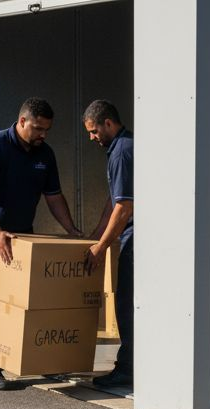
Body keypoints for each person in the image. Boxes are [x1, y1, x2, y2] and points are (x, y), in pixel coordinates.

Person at [0, 98, 84, 390]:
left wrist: (72, 230)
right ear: (22, 121)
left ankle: (30, 360)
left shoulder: (45, 153)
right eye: (38, 128)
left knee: (25, 300)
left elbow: (53, 197)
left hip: (21, 233)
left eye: (47, 129)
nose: (43, 134)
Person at [82, 99, 134, 388]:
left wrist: (101, 247)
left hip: (136, 237)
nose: (92, 137)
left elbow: (124, 207)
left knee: (126, 303)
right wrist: (97, 235)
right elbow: (113, 201)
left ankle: (127, 368)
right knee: (126, 300)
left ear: (108, 123)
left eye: (94, 131)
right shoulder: (121, 148)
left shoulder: (122, 152)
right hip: (130, 234)